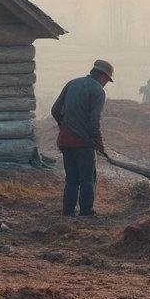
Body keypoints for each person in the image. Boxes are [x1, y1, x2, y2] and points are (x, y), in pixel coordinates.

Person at [51, 59, 113, 217]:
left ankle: (68, 212)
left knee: (71, 179)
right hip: (83, 143)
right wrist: (99, 144)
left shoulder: (72, 83)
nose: (106, 83)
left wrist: (63, 125)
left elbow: (55, 110)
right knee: (87, 179)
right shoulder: (98, 91)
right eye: (107, 80)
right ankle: (86, 212)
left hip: (65, 139)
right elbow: (94, 123)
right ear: (102, 75)